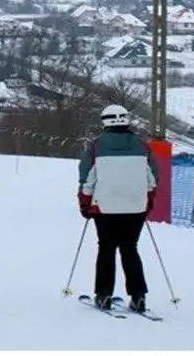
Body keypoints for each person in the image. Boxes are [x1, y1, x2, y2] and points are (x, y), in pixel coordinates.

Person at [77, 104, 159, 313]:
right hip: (135, 207)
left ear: (104, 120)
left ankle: (104, 295)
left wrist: (84, 204)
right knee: (130, 248)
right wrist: (147, 203)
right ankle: (138, 296)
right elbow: (152, 179)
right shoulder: (142, 146)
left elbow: (87, 178)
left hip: (104, 208)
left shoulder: (96, 146)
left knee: (106, 247)